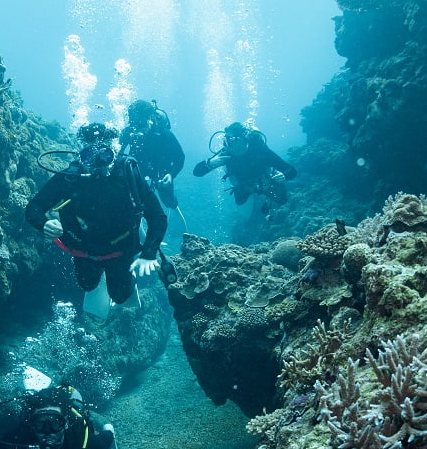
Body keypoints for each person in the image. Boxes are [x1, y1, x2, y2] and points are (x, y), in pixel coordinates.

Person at [26, 122, 167, 319]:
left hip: (120, 251)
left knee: (121, 296)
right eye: (89, 157)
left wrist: (149, 252)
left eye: (105, 156)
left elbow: (158, 216)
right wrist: (44, 224)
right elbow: (33, 208)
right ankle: (100, 283)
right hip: (84, 250)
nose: (98, 164)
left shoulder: (127, 175)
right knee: (87, 284)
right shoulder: (70, 178)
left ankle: (126, 283)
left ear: (114, 153)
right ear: (80, 155)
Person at [192, 121, 298, 215]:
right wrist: (210, 163)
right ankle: (252, 196)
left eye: (232, 139)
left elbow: (291, 172)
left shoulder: (260, 150)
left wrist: (282, 177)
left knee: (282, 201)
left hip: (264, 183)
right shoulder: (226, 154)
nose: (227, 144)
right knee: (240, 201)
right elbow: (197, 172)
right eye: (226, 139)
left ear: (243, 139)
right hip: (244, 185)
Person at [120, 99, 185, 211]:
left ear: (150, 118)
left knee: (168, 200)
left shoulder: (164, 134)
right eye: (135, 124)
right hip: (139, 166)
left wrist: (171, 174)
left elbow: (180, 157)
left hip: (161, 168)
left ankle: (173, 206)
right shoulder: (128, 132)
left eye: (141, 123)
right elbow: (118, 155)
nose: (139, 128)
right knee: (132, 197)